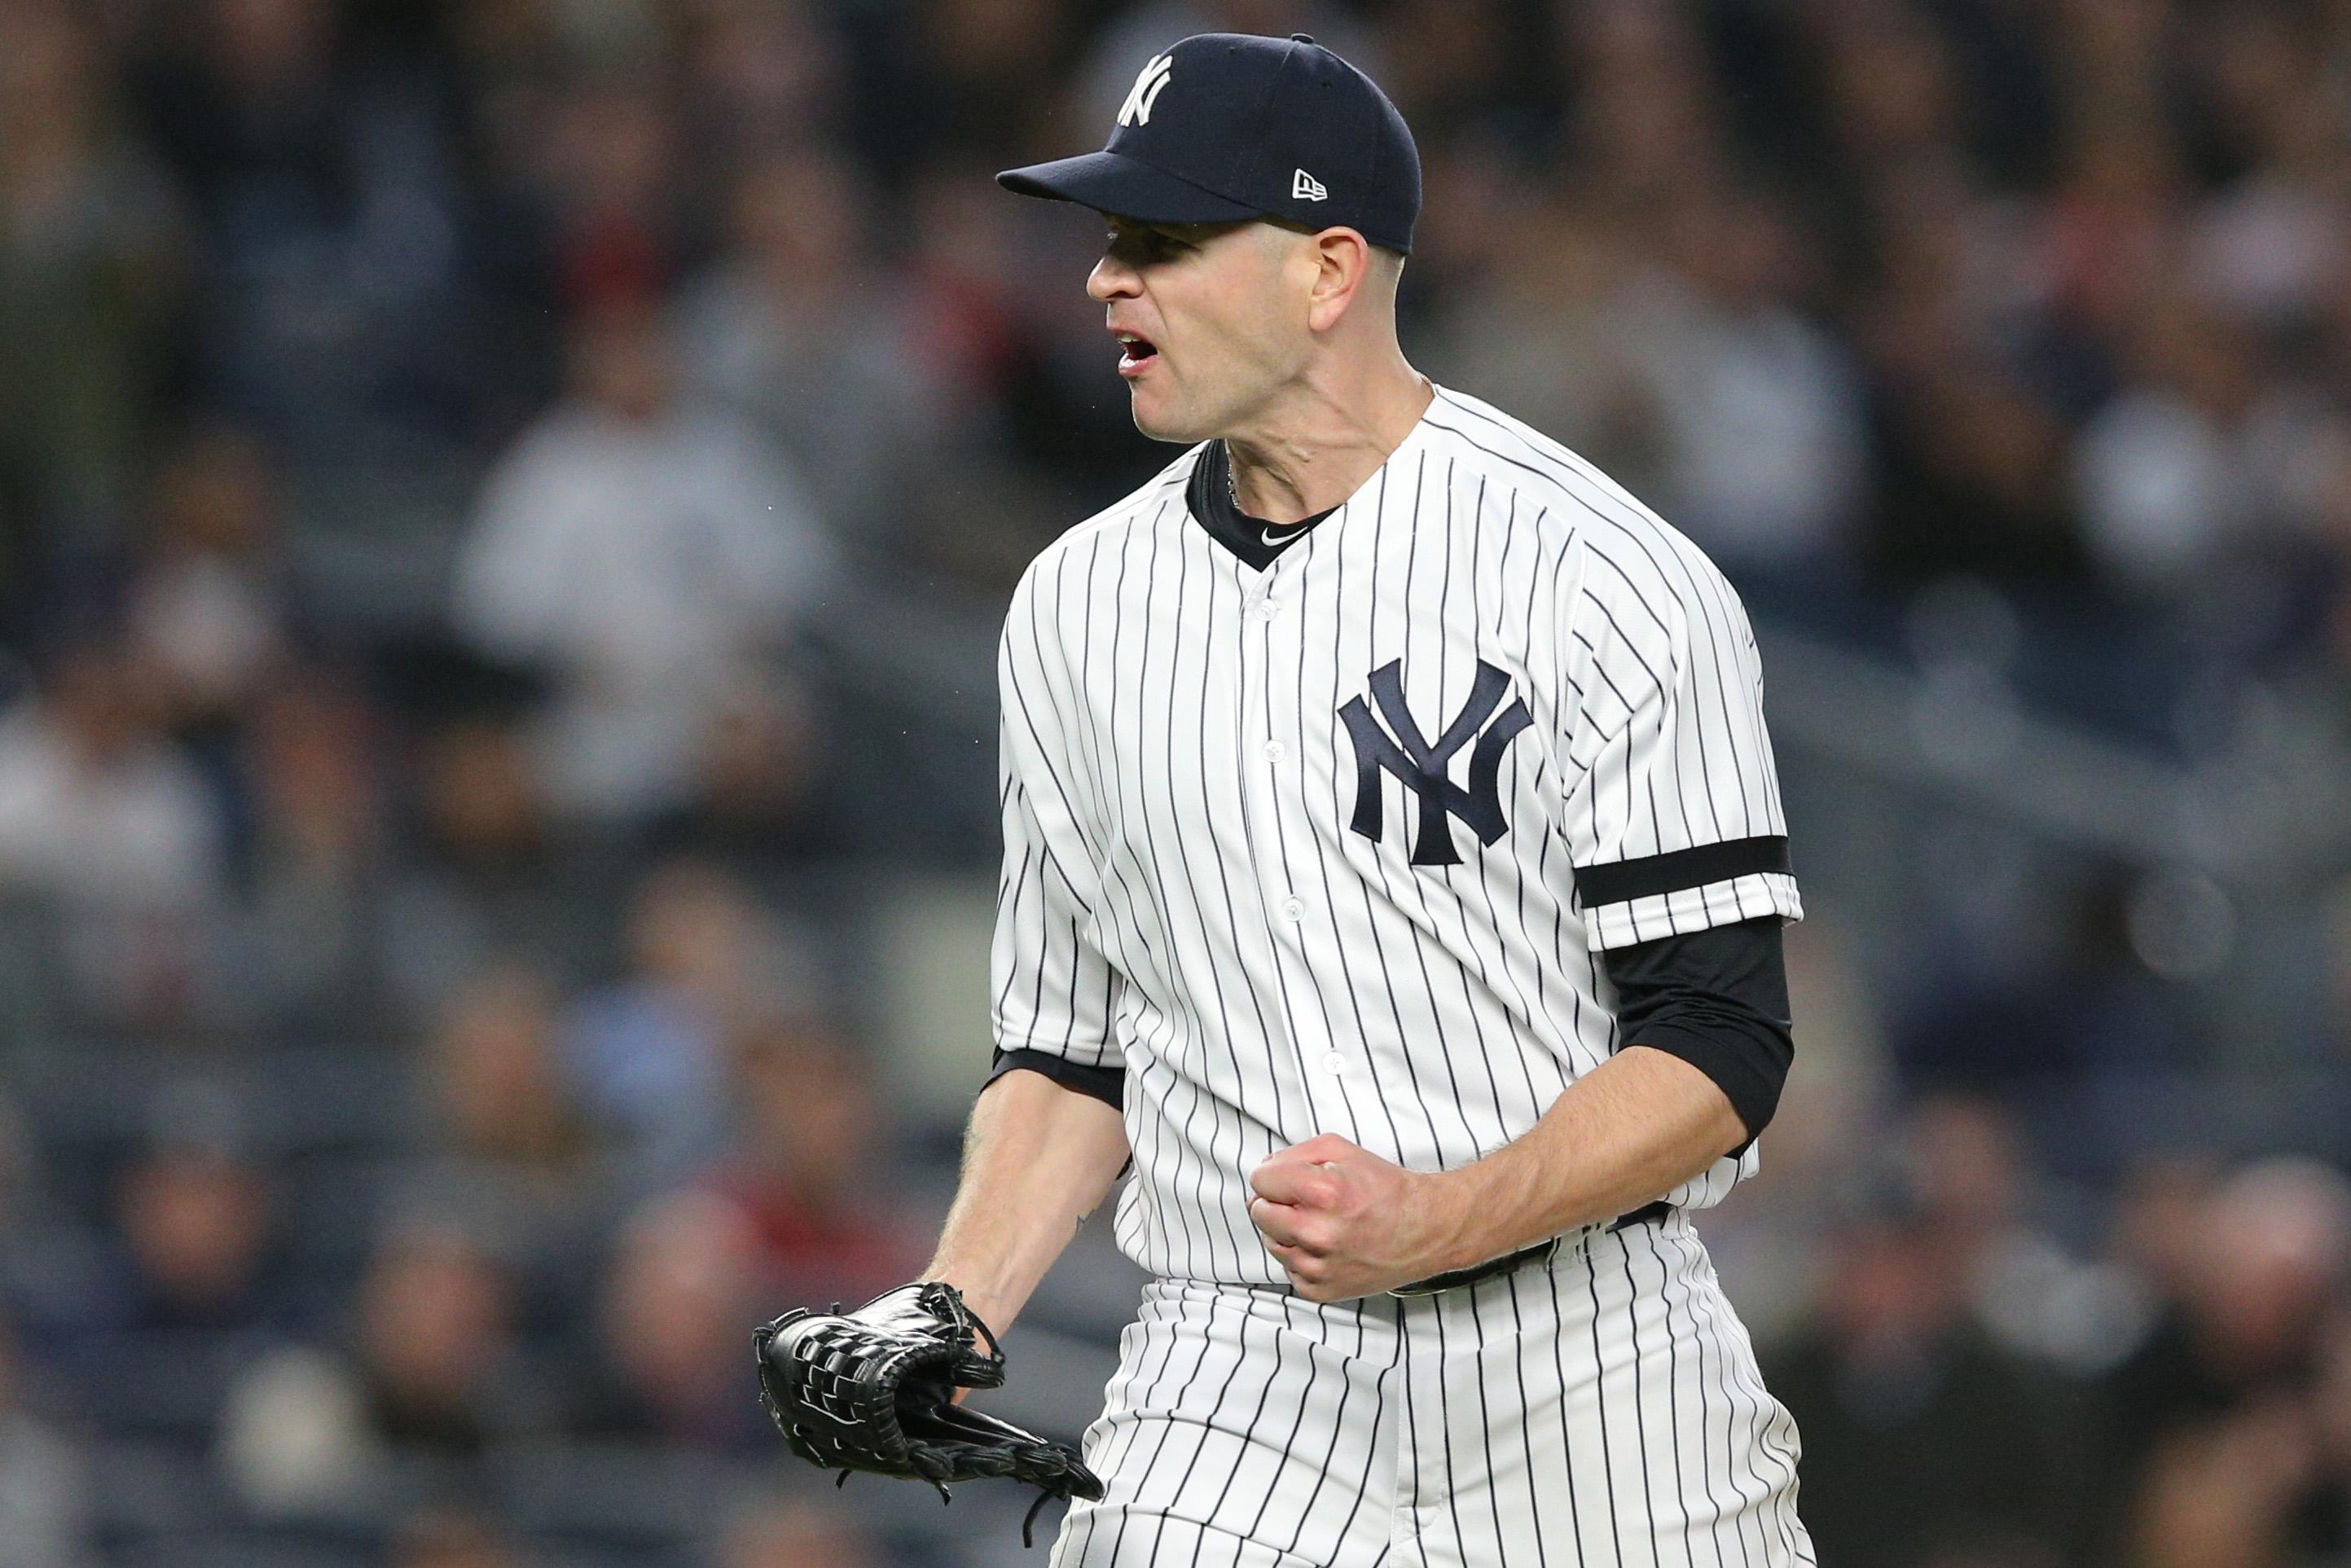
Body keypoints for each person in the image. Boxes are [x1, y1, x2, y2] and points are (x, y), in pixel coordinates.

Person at [778, 33, 1813, 1564]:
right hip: (1233, 1373)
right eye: (1107, 240)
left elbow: (1721, 1040)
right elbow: (1070, 1048)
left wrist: (1440, 1217)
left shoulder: (1605, 577)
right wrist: (954, 1301)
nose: (1102, 280)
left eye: (1162, 241)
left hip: (1592, 1371)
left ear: (1328, 271)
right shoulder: (1075, 603)